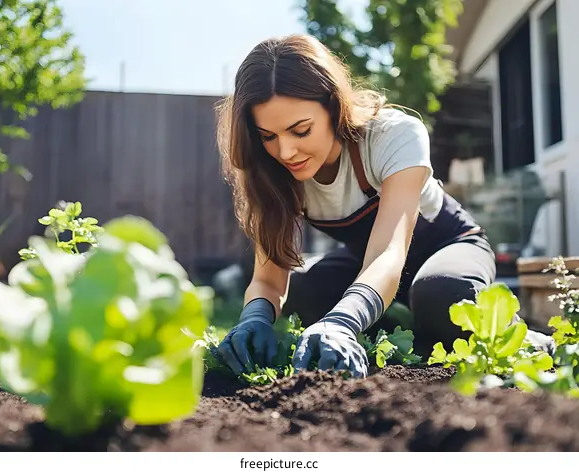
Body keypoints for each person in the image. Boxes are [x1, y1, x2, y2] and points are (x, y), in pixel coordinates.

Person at [213, 34, 554, 378]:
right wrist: (252, 318)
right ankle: (408, 332)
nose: (285, 152)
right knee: (306, 291)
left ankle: (529, 340)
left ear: (334, 106)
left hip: (445, 246)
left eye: (300, 130)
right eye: (268, 136)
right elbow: (270, 279)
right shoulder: (272, 172)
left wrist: (343, 321)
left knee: (442, 295)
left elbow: (389, 251)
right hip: (367, 263)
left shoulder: (393, 135)